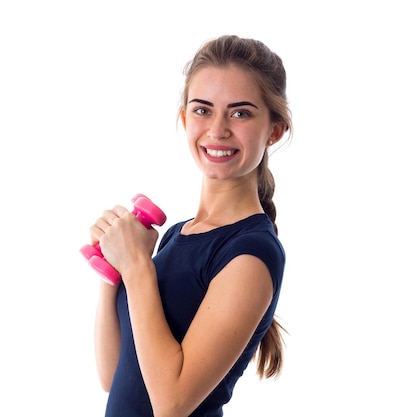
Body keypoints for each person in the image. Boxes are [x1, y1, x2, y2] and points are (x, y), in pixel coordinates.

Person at [88, 34, 293, 417]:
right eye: (202, 110)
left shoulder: (252, 253)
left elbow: (171, 403)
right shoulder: (175, 235)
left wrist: (137, 268)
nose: (217, 130)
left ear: (274, 130)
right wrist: (114, 269)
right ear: (184, 118)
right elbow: (114, 376)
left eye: (240, 113)